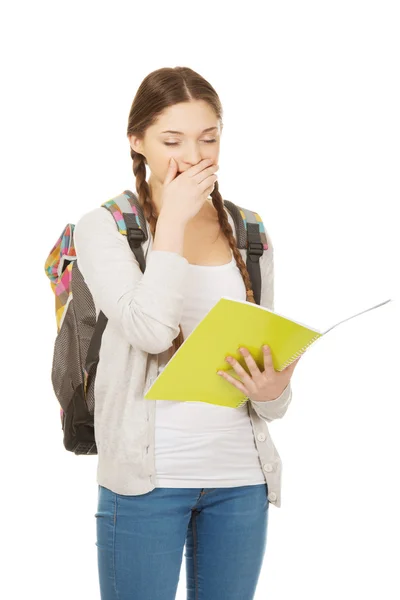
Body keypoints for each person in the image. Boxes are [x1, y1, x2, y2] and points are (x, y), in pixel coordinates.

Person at [73, 66, 300, 600]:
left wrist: (275, 392)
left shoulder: (249, 230)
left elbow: (267, 376)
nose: (195, 156)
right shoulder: (105, 227)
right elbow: (151, 331)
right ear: (138, 141)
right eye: (172, 140)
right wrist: (171, 220)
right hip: (145, 482)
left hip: (240, 479)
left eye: (209, 138)